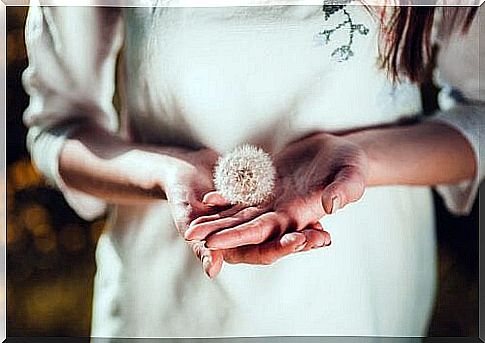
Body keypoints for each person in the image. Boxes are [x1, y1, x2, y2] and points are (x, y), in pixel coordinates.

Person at [22, 0, 483, 338]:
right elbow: (59, 127)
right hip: (171, 308)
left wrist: (362, 157)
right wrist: (166, 171)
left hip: (361, 294)